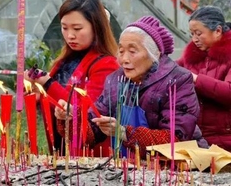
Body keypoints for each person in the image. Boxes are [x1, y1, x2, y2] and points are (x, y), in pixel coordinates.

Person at [55, 15, 207, 158]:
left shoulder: (178, 80)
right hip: (132, 167)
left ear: (155, 53)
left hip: (179, 166)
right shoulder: (115, 81)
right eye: (121, 51)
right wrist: (71, 119)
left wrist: (124, 133)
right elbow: (91, 134)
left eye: (132, 51)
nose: (124, 59)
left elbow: (176, 138)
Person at [24, 0, 119, 156]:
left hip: (89, 154)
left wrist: (48, 83)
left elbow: (88, 111)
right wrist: (33, 89)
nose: (70, 35)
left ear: (96, 27)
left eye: (77, 28)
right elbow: (48, 105)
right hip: (61, 148)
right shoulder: (64, 59)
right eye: (64, 27)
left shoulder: (107, 65)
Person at [177, 6, 231, 151]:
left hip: (225, 139)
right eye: (192, 34)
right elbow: (173, 70)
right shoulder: (192, 55)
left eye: (199, 33)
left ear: (218, 31)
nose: (194, 39)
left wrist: (195, 79)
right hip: (197, 140)